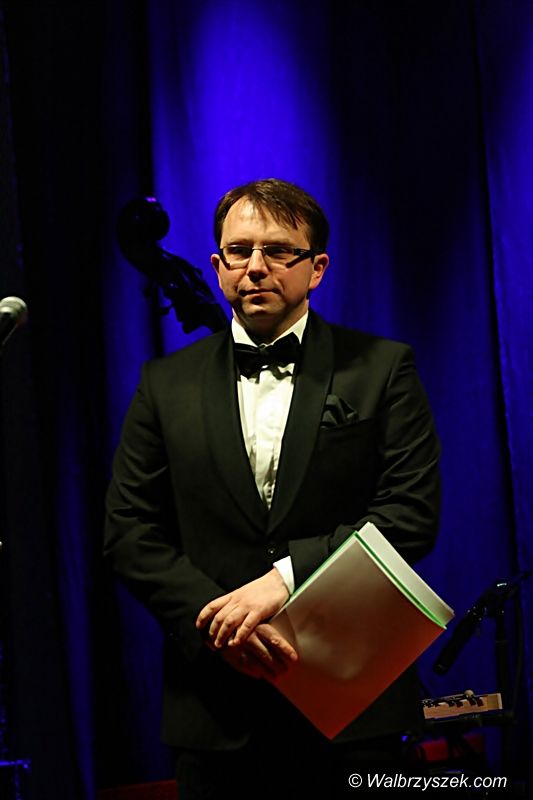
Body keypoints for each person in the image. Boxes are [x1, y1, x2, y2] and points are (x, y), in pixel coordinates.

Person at [104, 178, 441, 798]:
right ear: (217, 266)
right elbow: (128, 532)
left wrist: (283, 580)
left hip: (352, 706)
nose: (255, 267)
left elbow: (410, 515)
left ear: (317, 268)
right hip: (215, 709)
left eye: (279, 250)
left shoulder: (383, 367)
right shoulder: (162, 384)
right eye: (239, 251)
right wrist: (220, 625)